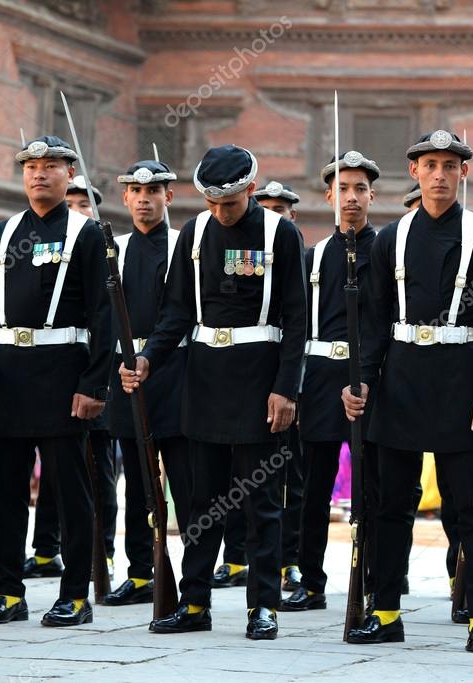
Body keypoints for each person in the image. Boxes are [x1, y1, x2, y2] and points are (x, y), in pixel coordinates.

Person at [120, 144, 306, 640]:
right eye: (212, 204)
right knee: (202, 503)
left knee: (260, 501)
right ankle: (194, 602)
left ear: (250, 189)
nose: (221, 213)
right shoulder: (196, 233)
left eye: (230, 202)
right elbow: (176, 310)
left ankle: (262, 605)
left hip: (259, 380)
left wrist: (287, 389)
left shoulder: (279, 232)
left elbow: (296, 318)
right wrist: (149, 358)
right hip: (201, 378)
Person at [343, 130, 473, 653]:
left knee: (470, 506)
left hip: (460, 376)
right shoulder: (391, 238)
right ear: (413, 171)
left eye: (450, 164)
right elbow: (373, 322)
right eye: (430, 163)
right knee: (390, 504)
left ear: (464, 172)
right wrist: (362, 381)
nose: (440, 173)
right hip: (401, 376)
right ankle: (386, 610)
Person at [0, 135, 112, 627]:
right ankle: (7, 590)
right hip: (7, 377)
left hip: (62, 375)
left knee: (69, 494)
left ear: (69, 174)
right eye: (31, 166)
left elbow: (105, 314)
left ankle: (75, 593)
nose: (39, 174)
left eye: (51, 166)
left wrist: (95, 385)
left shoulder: (88, 235)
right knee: (4, 491)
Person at [282, 151, 379, 612]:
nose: (352, 197)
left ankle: (375, 577)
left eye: (360, 189)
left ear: (372, 195)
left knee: (372, 488)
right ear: (329, 195)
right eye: (343, 189)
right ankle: (311, 580)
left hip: (369, 379)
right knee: (313, 490)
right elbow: (297, 324)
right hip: (320, 379)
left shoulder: (385, 250)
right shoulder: (314, 255)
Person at [102, 160, 193, 606]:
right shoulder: (112, 249)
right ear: (125, 198)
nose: (143, 198)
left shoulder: (183, 247)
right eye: (135, 191)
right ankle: (141, 573)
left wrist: (151, 354)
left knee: (184, 481)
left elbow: (183, 314)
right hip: (127, 374)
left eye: (153, 191)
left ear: (167, 198)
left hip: (173, 370)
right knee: (137, 484)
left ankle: (190, 577)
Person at [212, 179, 305, 592]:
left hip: (286, 374)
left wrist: (289, 385)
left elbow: (298, 319)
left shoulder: (295, 249)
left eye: (281, 209)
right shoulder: (210, 235)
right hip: (229, 378)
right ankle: (233, 560)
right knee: (230, 481)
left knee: (286, 482)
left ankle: (288, 562)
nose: (273, 214)